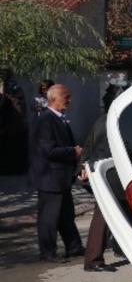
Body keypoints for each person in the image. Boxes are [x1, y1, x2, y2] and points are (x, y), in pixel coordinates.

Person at [30, 84, 83, 263]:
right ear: (54, 98)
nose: (69, 100)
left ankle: (74, 247)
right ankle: (47, 253)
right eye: (66, 97)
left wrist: (78, 167)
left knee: (66, 215)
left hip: (61, 178)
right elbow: (49, 150)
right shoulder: (45, 120)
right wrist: (73, 152)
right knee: (49, 218)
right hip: (50, 177)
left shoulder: (59, 119)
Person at [78, 111, 119, 272]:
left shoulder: (102, 119)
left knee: (110, 213)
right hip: (111, 173)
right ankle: (93, 260)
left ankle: (115, 249)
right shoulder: (116, 118)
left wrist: (83, 166)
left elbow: (88, 144)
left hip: (105, 172)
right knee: (103, 214)